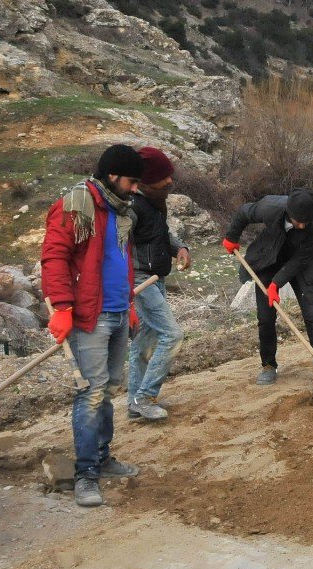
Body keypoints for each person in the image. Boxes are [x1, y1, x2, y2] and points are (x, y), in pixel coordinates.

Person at [41, 144, 143, 507]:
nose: (135, 189)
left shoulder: (119, 210)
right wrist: (63, 307)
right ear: (113, 175)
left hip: (116, 311)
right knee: (91, 393)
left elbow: (120, 262)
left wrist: (129, 304)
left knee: (109, 389)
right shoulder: (76, 205)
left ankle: (102, 458)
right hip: (90, 316)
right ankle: (86, 474)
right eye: (132, 181)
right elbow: (54, 256)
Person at [222, 189, 313, 386]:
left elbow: (301, 259)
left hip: (302, 264)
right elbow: (243, 213)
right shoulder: (271, 207)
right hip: (268, 258)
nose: (301, 226)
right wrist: (232, 237)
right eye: (298, 221)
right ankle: (268, 365)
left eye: (305, 222)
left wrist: (276, 283)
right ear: (289, 212)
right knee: (265, 318)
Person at [127, 146, 189, 421]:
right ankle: (145, 396)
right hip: (140, 282)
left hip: (155, 278)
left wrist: (180, 248)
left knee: (144, 343)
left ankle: (134, 402)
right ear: (144, 181)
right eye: (163, 177)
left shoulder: (155, 203)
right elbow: (116, 248)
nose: (169, 181)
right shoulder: (131, 209)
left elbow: (162, 233)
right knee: (172, 335)